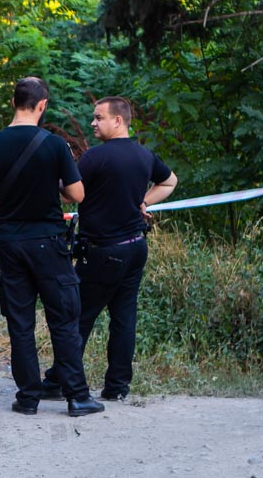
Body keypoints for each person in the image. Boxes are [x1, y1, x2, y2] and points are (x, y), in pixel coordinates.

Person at [0, 77, 103, 417]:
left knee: (20, 322)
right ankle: (77, 397)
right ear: (42, 105)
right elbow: (78, 194)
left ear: (14, 102)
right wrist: (54, 185)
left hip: (10, 244)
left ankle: (28, 398)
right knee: (64, 319)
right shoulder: (54, 145)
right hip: (48, 243)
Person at [44, 97, 178, 402]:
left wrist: (55, 176)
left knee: (79, 316)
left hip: (102, 251)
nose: (93, 123)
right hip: (136, 247)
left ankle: (58, 382)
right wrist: (143, 201)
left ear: (118, 121)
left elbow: (69, 195)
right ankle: (117, 386)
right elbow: (170, 182)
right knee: (124, 318)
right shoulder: (144, 154)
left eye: (98, 117)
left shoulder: (96, 157)